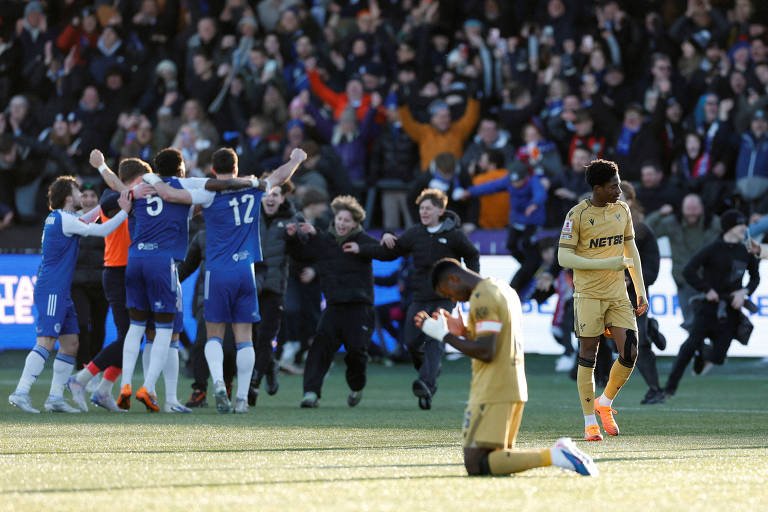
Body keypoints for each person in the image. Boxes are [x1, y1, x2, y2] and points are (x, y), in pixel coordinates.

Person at [151, 147, 308, 413]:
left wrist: (151, 179)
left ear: (214, 170)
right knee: (245, 337)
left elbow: (170, 195)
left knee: (214, 335)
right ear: (236, 168)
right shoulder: (254, 188)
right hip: (246, 271)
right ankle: (242, 399)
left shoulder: (208, 193)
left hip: (218, 272)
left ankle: (220, 386)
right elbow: (280, 176)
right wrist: (296, 159)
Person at [413, 258, 598, 477]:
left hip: (494, 387)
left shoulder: (483, 297)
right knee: (489, 460)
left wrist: (443, 335)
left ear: (454, 278)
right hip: (511, 383)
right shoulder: (503, 289)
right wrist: (463, 332)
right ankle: (556, 455)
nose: (452, 299)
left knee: (475, 463)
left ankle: (557, 454)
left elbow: (486, 351)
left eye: (448, 292)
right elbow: (496, 339)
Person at [8, 177, 132, 413]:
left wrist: (105, 204)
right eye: (77, 191)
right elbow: (102, 229)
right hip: (52, 289)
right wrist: (124, 211)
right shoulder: (65, 219)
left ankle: (55, 398)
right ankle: (21, 392)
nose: (81, 195)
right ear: (68, 197)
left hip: (61, 290)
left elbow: (87, 218)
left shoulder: (62, 218)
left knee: (71, 344)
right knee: (46, 342)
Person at [354, 189, 480, 409]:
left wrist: (472, 282)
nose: (424, 212)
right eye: (421, 208)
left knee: (435, 340)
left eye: (428, 208)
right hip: (420, 298)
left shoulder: (454, 235)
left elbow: (472, 254)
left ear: (440, 210)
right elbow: (390, 252)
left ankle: (426, 383)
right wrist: (366, 246)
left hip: (446, 298)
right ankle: (429, 372)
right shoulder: (415, 234)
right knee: (411, 341)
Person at [557, 159, 648, 441]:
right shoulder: (577, 215)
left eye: (619, 185)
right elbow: (564, 257)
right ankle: (589, 424)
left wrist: (640, 289)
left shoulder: (622, 210)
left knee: (630, 351)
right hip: (588, 296)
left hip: (618, 295)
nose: (619, 191)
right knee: (588, 356)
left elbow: (630, 248)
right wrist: (607, 263)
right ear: (597, 188)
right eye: (613, 186)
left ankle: (604, 402)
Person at [287, 195, 380, 408]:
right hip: (334, 307)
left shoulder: (363, 240)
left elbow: (385, 252)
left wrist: (361, 249)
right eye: (339, 219)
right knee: (319, 349)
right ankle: (311, 393)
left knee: (357, 353)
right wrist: (293, 238)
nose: (341, 223)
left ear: (356, 223)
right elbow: (300, 255)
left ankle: (356, 386)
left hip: (360, 308)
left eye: (347, 220)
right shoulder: (323, 240)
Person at [664, 209, 759, 397]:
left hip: (731, 311)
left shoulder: (746, 251)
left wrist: (744, 292)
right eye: (740, 224)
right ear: (729, 228)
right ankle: (668, 389)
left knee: (718, 357)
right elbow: (688, 271)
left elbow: (755, 278)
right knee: (688, 347)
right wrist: (707, 290)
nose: (744, 228)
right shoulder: (712, 248)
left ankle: (703, 352)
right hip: (708, 309)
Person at [645, 193, 720, 330]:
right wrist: (659, 214)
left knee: (716, 323)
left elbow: (734, 235)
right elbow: (646, 230)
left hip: (711, 280)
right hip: (684, 281)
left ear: (702, 208)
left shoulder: (714, 223)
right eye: (688, 207)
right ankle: (700, 350)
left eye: (695, 207)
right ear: (682, 208)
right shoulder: (672, 223)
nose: (691, 210)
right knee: (690, 323)